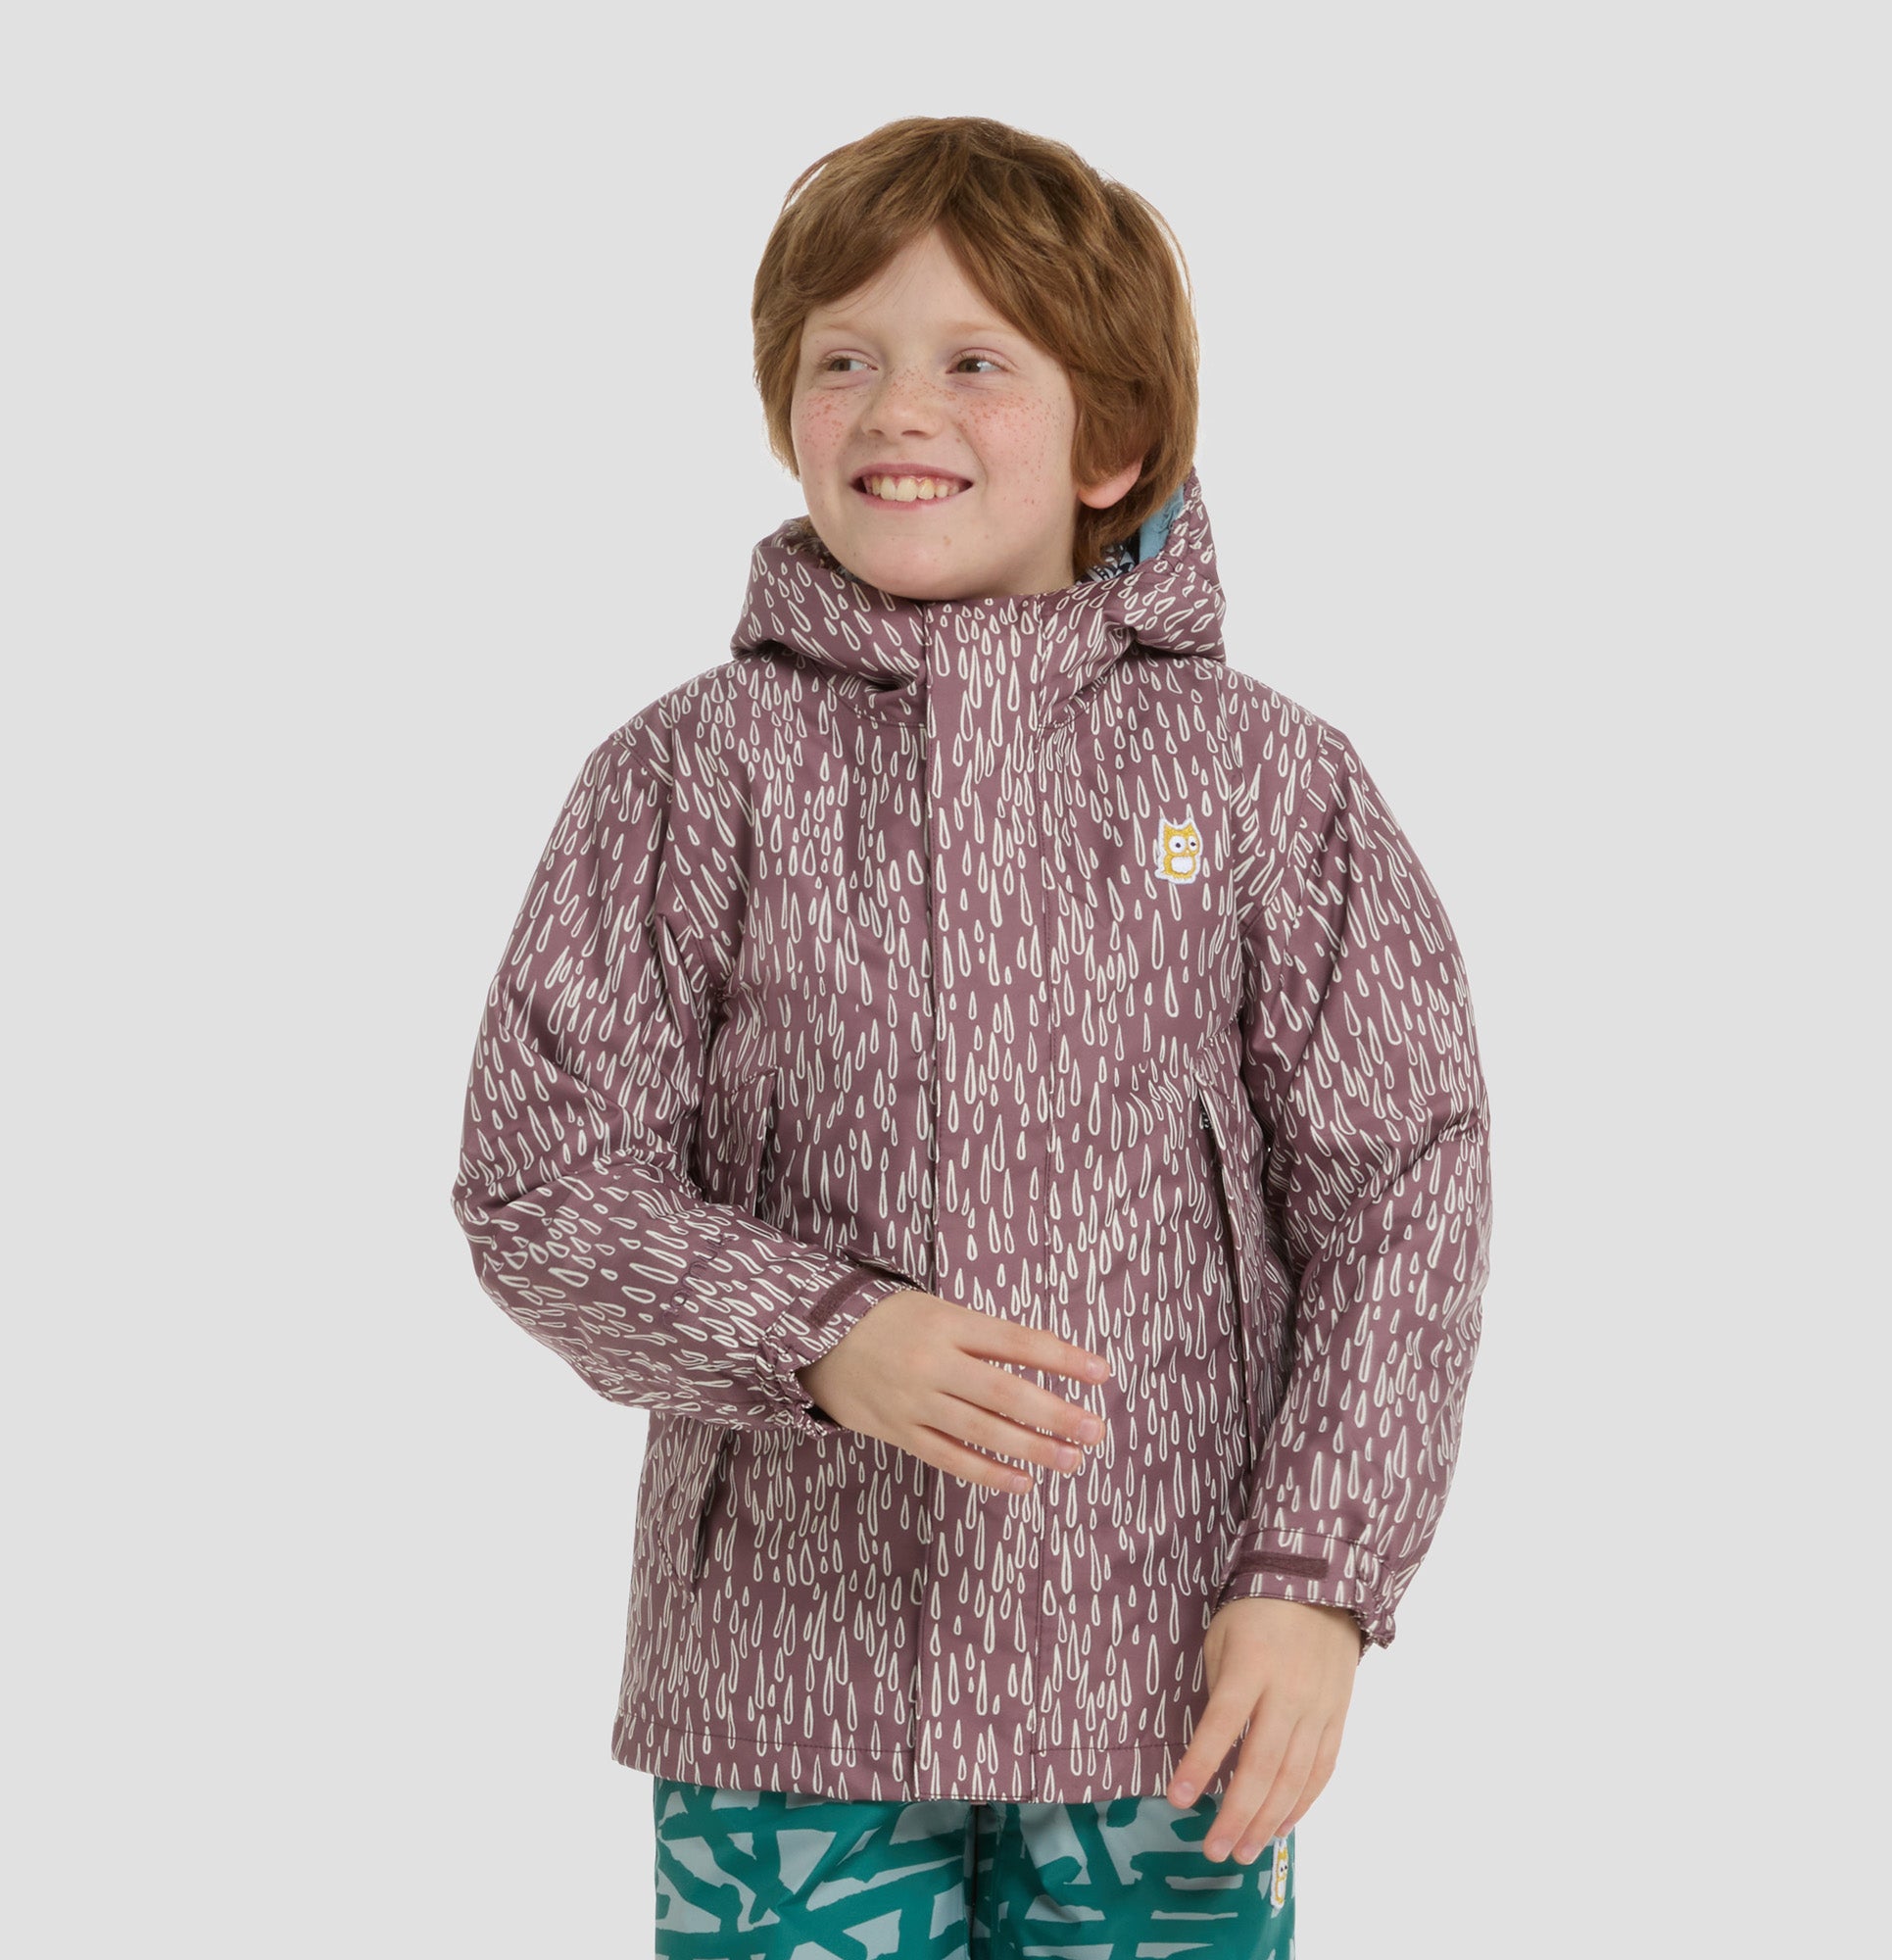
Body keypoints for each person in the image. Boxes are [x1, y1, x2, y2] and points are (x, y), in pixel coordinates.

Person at [449, 114, 1493, 1959]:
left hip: (1170, 1677)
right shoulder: (692, 774)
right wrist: (821, 1333)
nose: (895, 407)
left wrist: (1318, 1582)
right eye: (842, 358)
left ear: (1114, 443)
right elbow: (541, 1177)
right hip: (786, 1684)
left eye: (974, 362)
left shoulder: (1267, 780)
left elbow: (1403, 1189)